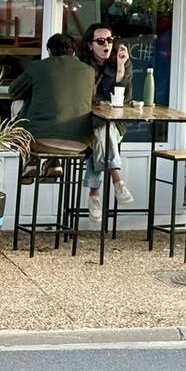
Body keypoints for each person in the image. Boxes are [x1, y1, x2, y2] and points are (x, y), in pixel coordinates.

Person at [8, 33, 94, 181]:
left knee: (19, 103)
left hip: (40, 142)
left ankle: (31, 160)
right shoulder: (89, 71)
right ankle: (53, 163)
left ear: (48, 51)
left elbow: (13, 92)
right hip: (80, 144)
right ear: (73, 53)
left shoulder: (38, 67)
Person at [80, 22, 134, 222]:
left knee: (104, 132)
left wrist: (120, 67)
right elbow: (85, 97)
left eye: (110, 40)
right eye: (101, 41)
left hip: (115, 123)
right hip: (87, 123)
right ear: (90, 45)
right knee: (101, 130)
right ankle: (117, 180)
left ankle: (94, 195)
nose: (107, 44)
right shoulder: (83, 65)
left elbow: (125, 98)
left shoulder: (123, 62)